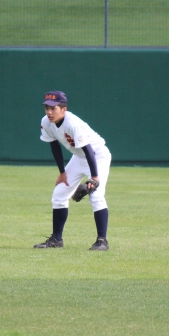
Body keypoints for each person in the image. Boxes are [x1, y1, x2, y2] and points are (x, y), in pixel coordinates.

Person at [34, 91, 111, 251]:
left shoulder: (73, 124)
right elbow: (54, 145)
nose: (49, 112)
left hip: (97, 157)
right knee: (59, 193)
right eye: (47, 108)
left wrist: (94, 177)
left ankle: (102, 241)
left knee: (96, 195)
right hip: (79, 158)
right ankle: (56, 239)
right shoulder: (46, 122)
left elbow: (89, 151)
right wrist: (62, 173)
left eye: (53, 108)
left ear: (64, 110)